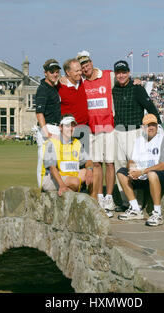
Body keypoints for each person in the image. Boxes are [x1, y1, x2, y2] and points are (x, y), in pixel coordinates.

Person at [112, 60, 162, 211]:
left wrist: (158, 128)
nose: (121, 75)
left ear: (129, 73)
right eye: (118, 73)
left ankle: (138, 203)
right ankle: (126, 202)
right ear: (115, 74)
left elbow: (151, 108)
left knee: (135, 166)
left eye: (124, 72)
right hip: (118, 131)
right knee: (119, 167)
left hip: (134, 131)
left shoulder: (137, 88)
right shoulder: (114, 89)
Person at [116, 114, 164, 226]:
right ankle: (135, 209)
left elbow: (163, 166)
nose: (151, 128)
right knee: (121, 173)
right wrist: (132, 170)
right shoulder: (139, 140)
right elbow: (132, 160)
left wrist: (141, 172)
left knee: (152, 174)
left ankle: (157, 214)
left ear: (157, 126)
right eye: (148, 125)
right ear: (143, 127)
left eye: (153, 125)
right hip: (147, 175)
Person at [74, 51, 116, 217]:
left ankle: (109, 198)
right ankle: (99, 197)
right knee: (97, 164)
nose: (85, 68)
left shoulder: (107, 75)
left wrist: (136, 81)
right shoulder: (81, 82)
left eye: (87, 64)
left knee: (110, 163)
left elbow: (123, 80)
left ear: (91, 62)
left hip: (109, 126)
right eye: (82, 66)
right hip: (92, 129)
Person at [40, 114, 94, 197]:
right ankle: (75, 196)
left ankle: (93, 201)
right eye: (67, 126)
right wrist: (62, 185)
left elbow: (88, 161)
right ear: (60, 128)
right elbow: (52, 168)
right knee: (75, 182)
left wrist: (90, 170)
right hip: (52, 178)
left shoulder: (76, 142)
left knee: (92, 173)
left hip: (69, 176)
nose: (71, 128)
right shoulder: (52, 142)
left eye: (73, 125)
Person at [35, 59, 62, 187]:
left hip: (56, 128)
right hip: (48, 129)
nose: (55, 74)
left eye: (57, 72)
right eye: (52, 72)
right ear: (45, 73)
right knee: (44, 162)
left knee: (54, 162)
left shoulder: (54, 87)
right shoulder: (43, 89)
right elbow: (39, 112)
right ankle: (41, 191)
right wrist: (47, 133)